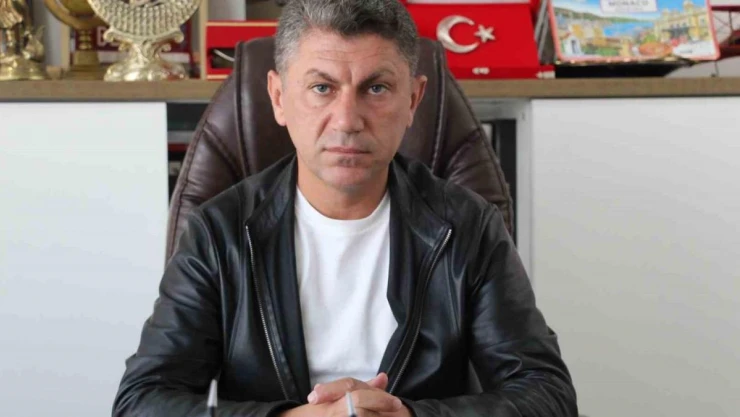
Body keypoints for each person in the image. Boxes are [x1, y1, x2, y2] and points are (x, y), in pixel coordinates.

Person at [112, 0, 578, 416]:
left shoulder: (468, 226)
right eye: (322, 88)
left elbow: (548, 396)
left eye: (376, 89)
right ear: (278, 97)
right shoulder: (219, 232)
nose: (348, 120)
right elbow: (142, 401)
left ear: (413, 99)